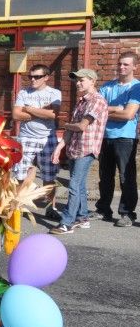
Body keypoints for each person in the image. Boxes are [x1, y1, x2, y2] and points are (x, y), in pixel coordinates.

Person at [50, 69, 108, 235]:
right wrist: (59, 148)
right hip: (75, 148)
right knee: (79, 185)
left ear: (92, 81)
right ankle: (82, 218)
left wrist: (67, 125)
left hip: (87, 149)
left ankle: (66, 223)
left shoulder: (97, 101)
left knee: (74, 185)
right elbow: (71, 130)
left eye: (81, 80)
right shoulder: (81, 102)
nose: (78, 83)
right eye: (77, 80)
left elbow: (81, 126)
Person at [93, 52, 140, 226]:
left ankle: (128, 213)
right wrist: (116, 109)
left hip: (125, 137)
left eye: (126, 64)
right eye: (120, 63)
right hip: (105, 136)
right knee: (105, 176)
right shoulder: (107, 86)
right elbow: (95, 110)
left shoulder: (136, 87)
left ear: (135, 66)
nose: (121, 67)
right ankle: (103, 210)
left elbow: (128, 115)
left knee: (126, 177)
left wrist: (107, 111)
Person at [11, 64, 62, 218]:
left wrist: (29, 109)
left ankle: (51, 208)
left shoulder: (54, 93)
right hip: (26, 137)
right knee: (20, 174)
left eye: (37, 77)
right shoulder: (23, 92)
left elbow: (54, 114)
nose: (33, 79)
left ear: (46, 77)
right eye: (31, 76)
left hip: (47, 137)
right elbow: (16, 115)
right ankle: (17, 207)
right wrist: (42, 112)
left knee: (49, 176)